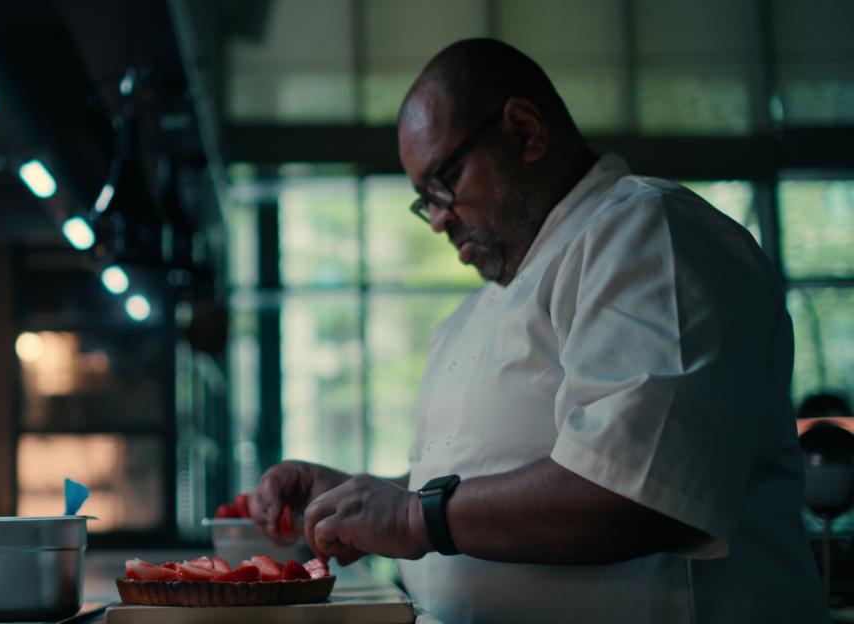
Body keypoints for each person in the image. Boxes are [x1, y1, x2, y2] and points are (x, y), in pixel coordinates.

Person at [249, 38, 827, 623]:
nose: (440, 218)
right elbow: (464, 486)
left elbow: (635, 489)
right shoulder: (475, 313)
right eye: (425, 201)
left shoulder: (646, 233)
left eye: (443, 182)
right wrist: (353, 494)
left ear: (524, 131)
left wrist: (408, 517)